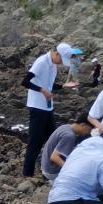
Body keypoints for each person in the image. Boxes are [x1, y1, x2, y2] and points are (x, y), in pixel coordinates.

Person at [22, 42, 74, 177]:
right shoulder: (41, 62)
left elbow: (49, 85)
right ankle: (27, 173)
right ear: (57, 54)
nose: (61, 63)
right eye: (61, 60)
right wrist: (42, 90)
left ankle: (50, 170)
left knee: (54, 138)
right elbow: (25, 82)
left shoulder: (53, 66)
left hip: (47, 107)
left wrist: (63, 86)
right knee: (35, 142)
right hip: (37, 107)